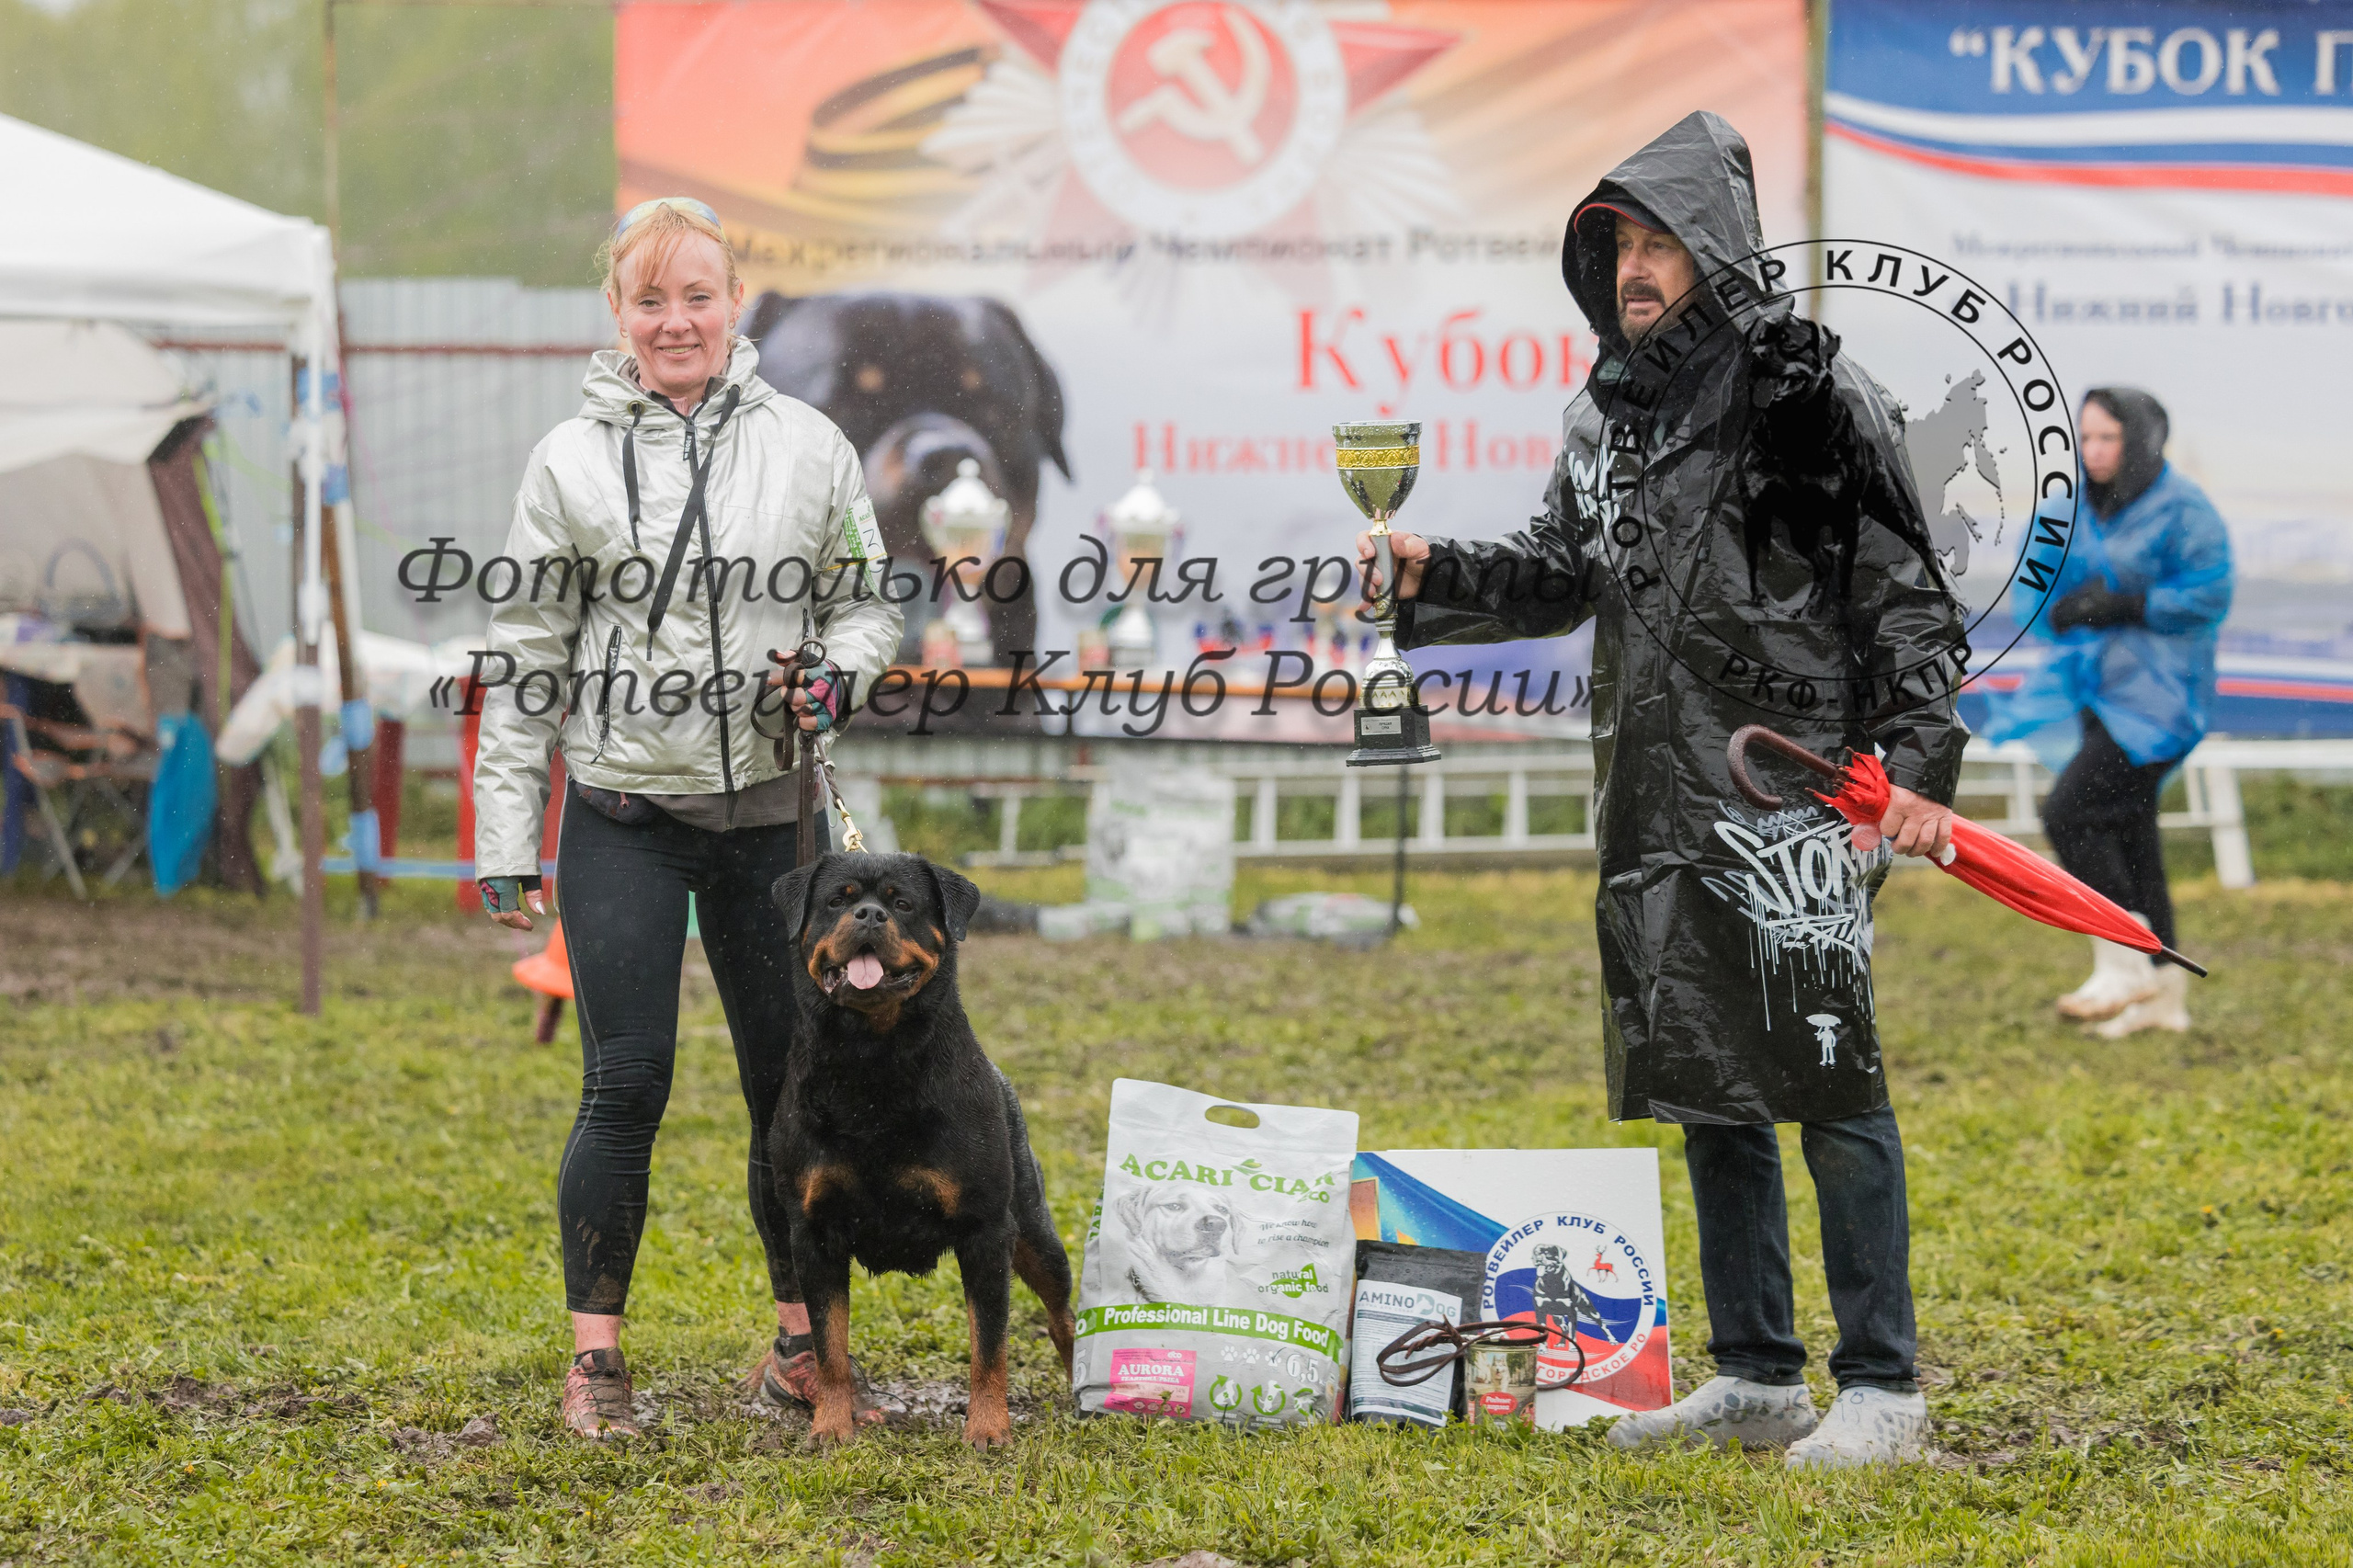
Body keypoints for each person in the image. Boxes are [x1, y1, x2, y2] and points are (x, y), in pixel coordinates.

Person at [1358, 112, 1964, 1467]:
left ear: (1722, 251)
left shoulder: (1808, 396)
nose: (1635, 268)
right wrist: (1431, 567)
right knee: (1704, 1073)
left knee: (1828, 1078)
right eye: (1617, 242)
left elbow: (1906, 593)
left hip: (1793, 791)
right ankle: (1756, 1373)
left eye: (1662, 242)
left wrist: (1917, 767)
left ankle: (1885, 1389)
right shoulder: (1602, 411)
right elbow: (1564, 568)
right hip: (1650, 792)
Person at [472, 198, 904, 1440]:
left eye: (697, 295)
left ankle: (799, 1348)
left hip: (774, 827)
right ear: (619, 313)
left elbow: (867, 608)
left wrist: (840, 672)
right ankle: (596, 1367)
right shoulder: (566, 461)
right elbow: (527, 656)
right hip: (623, 816)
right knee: (627, 1082)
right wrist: (509, 834)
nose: (677, 321)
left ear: (734, 303)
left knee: (793, 1092)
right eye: (651, 299)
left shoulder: (811, 445)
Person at [2028, 389, 2231, 1035]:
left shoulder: (2184, 509)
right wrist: (2061, 607)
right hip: (2099, 691)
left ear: (2139, 438)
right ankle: (2166, 999)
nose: (2093, 452)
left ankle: (2124, 963)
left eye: (2108, 438)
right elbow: (2038, 579)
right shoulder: (2075, 505)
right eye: (2084, 438)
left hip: (2164, 704)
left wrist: (2129, 604)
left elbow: (2210, 590)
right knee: (2133, 834)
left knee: (2070, 811)